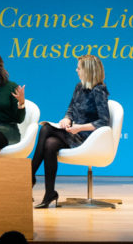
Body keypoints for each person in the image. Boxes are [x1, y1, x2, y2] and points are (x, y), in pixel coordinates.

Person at [31, 53, 110, 208]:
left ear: (88, 70)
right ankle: (49, 193)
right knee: (50, 144)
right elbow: (71, 109)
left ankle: (29, 175)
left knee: (46, 128)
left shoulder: (99, 90)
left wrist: (80, 127)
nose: (76, 70)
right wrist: (67, 119)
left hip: (87, 139)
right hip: (73, 134)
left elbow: (104, 121)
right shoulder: (79, 87)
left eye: (79, 68)